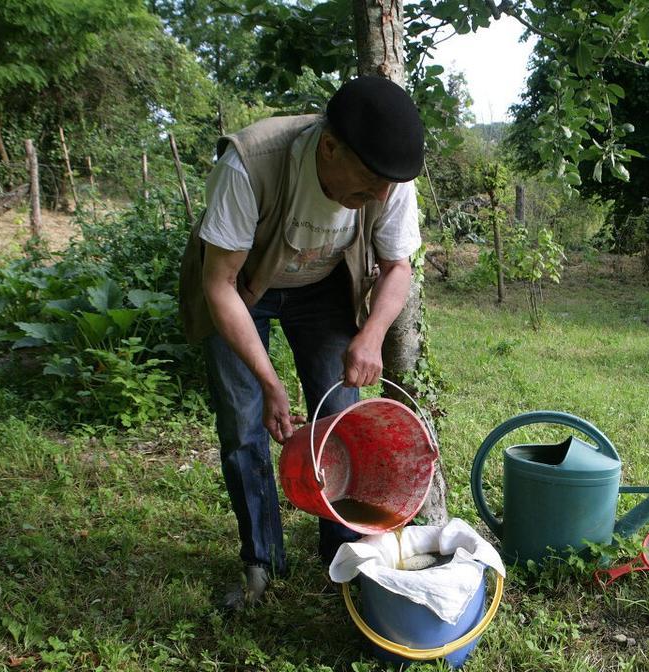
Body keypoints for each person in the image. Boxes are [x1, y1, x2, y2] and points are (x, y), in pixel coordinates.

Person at [178, 76, 425, 611]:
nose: (376, 199)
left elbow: (397, 266)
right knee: (243, 423)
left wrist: (371, 335)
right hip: (244, 288)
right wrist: (269, 383)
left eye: (385, 189)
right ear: (329, 147)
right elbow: (217, 284)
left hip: (322, 288)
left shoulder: (389, 174)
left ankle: (344, 559)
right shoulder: (250, 162)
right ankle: (261, 561)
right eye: (364, 188)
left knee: (340, 414)